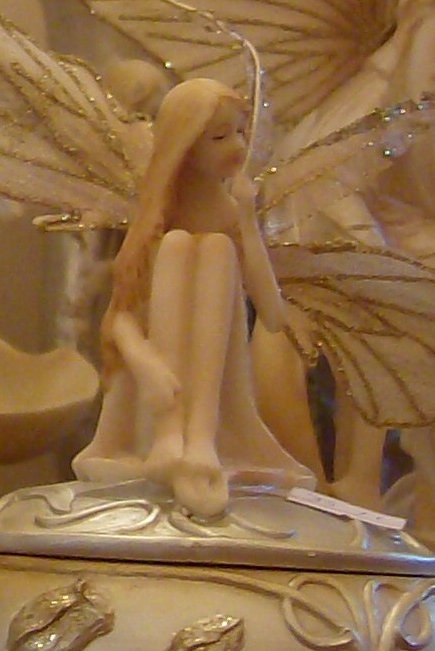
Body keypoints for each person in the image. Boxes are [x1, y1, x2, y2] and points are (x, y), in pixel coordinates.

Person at [73, 78, 312, 518]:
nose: (236, 146)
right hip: (156, 392)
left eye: (241, 132)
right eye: (219, 137)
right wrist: (144, 361)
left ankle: (200, 438)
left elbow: (274, 316)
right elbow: (122, 315)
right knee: (179, 245)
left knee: (217, 249)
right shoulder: (156, 218)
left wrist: (248, 220)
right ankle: (170, 434)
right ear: (185, 145)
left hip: (218, 388)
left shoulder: (231, 215)